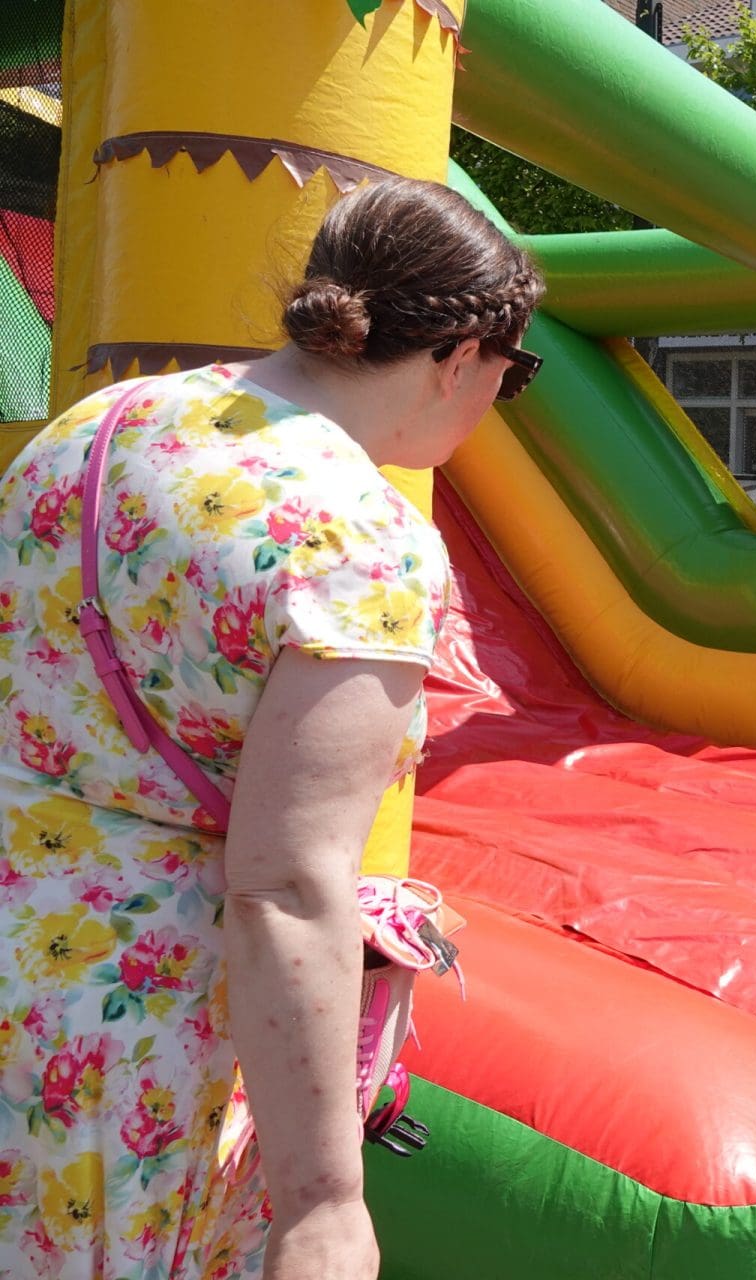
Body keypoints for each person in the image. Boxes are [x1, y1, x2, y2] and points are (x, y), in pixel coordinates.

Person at [0, 177, 542, 1280]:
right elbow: (287, 884)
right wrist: (324, 1201)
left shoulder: (102, 422)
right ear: (459, 355)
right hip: (133, 1040)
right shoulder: (361, 537)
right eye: (513, 370)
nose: (501, 394)